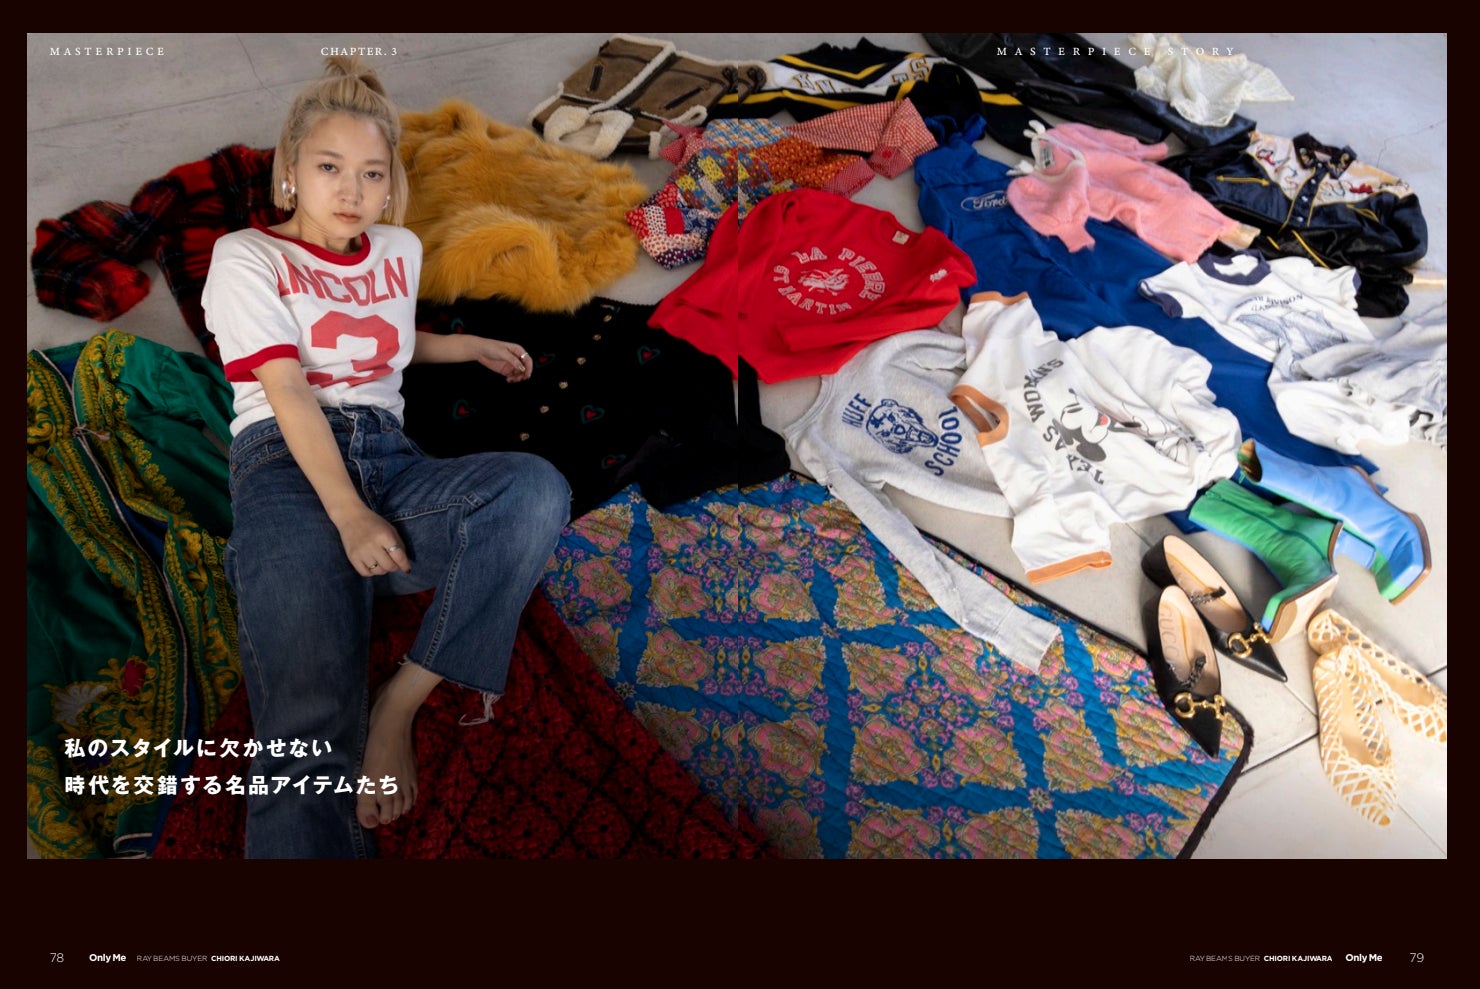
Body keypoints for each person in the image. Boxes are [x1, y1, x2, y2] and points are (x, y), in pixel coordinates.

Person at [203, 56, 571, 858]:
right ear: (290, 170)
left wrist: (466, 345)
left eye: (372, 173)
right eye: (329, 167)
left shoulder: (397, 249)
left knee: (535, 490)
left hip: (393, 462)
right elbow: (288, 387)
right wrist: (348, 515)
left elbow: (383, 343)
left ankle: (399, 702)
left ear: (391, 184)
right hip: (286, 464)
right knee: (303, 719)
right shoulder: (246, 256)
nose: (352, 190)